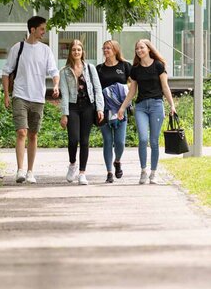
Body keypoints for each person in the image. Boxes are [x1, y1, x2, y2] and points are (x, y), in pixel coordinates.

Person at [2, 16, 59, 184]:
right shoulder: (18, 48)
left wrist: (55, 85)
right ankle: (20, 169)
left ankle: (30, 171)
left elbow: (53, 71)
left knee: (33, 135)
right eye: (42, 29)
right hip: (20, 95)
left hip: (38, 97)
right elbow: (6, 72)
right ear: (32, 29)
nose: (44, 32)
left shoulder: (45, 50)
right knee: (22, 132)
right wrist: (6, 94)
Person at [118, 39, 176, 185]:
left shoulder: (158, 66)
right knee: (143, 139)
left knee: (154, 141)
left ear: (149, 49)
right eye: (137, 48)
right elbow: (132, 91)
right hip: (141, 107)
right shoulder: (135, 70)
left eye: (142, 47)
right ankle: (143, 171)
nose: (139, 50)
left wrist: (172, 106)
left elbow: (165, 87)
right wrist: (123, 107)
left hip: (157, 105)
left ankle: (153, 173)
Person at [60, 39, 104, 185]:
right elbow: (64, 94)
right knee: (73, 139)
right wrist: (64, 114)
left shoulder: (90, 68)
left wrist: (99, 108)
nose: (76, 52)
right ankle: (72, 164)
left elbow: (97, 89)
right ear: (70, 53)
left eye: (79, 49)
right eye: (74, 50)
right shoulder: (65, 72)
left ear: (82, 52)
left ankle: (82, 173)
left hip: (88, 107)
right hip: (73, 107)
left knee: (84, 140)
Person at [96, 40, 132, 183]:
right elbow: (96, 89)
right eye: (104, 48)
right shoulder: (99, 69)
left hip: (120, 109)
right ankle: (109, 172)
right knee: (107, 140)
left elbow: (133, 84)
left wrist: (123, 90)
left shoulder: (125, 66)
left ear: (115, 50)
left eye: (108, 48)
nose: (105, 50)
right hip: (104, 109)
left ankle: (117, 161)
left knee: (120, 142)